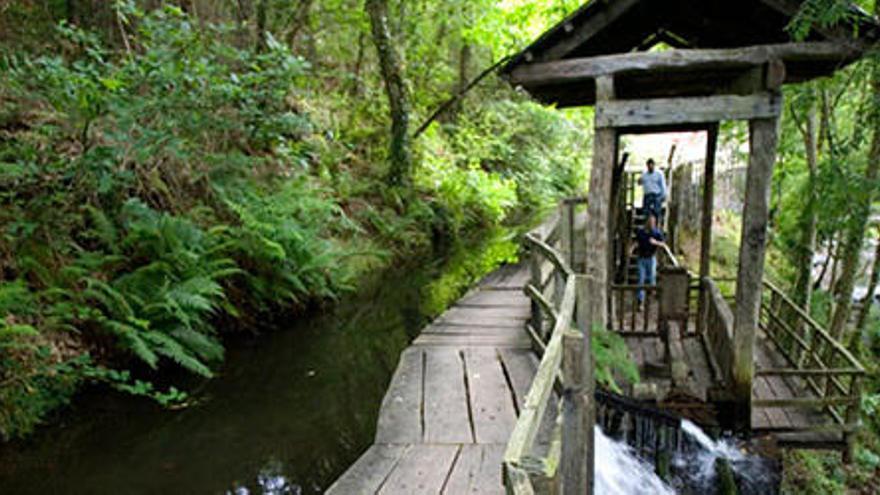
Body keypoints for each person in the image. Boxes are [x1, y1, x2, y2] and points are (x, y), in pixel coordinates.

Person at [631, 214, 666, 304]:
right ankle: (640, 300)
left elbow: (663, 244)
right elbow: (636, 242)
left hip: (651, 258)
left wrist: (656, 242)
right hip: (641, 258)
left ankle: (650, 297)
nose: (651, 224)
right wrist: (631, 249)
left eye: (653, 222)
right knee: (641, 279)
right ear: (647, 222)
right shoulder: (641, 232)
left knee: (651, 278)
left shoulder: (656, 233)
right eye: (650, 222)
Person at [639, 158, 667, 222]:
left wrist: (663, 195)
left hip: (656, 195)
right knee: (646, 212)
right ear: (647, 166)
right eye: (649, 166)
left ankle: (655, 227)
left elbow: (663, 185)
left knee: (656, 211)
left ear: (654, 165)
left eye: (651, 166)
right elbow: (640, 182)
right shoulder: (644, 174)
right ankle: (648, 227)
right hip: (647, 195)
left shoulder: (659, 174)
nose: (650, 168)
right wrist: (640, 180)